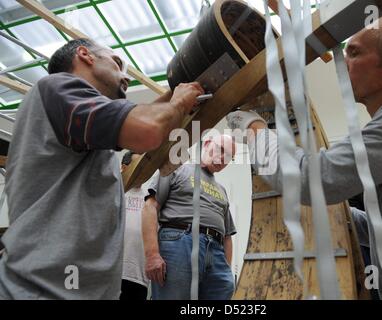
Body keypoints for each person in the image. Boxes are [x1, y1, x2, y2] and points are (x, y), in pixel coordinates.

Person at [227, 7, 382, 299]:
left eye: (354, 53)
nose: (341, 63)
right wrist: (341, 217)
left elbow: (313, 179)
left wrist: (253, 129)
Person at [0, 38, 204, 299]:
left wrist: (175, 95)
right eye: (117, 63)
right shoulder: (58, 85)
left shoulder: (83, 129)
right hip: (44, 290)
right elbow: (147, 131)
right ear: (85, 55)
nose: (125, 77)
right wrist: (178, 102)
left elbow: (144, 117)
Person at [142, 135, 237, 300]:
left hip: (216, 251)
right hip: (180, 241)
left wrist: (226, 268)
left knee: (224, 290)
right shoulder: (176, 168)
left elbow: (227, 236)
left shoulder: (222, 190)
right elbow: (150, 207)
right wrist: (152, 254)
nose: (223, 158)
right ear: (207, 144)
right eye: (221, 149)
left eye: (229, 157)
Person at [120, 151, 150, 300]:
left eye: (144, 166)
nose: (142, 170)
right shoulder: (114, 194)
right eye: (137, 166)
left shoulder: (150, 200)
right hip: (112, 274)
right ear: (124, 168)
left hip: (139, 278)